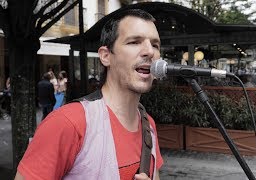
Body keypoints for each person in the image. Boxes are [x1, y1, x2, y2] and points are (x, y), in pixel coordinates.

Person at [15, 9, 163, 180]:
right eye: (134, 42)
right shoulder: (67, 123)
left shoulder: (148, 125)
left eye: (155, 45)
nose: (150, 52)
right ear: (106, 56)